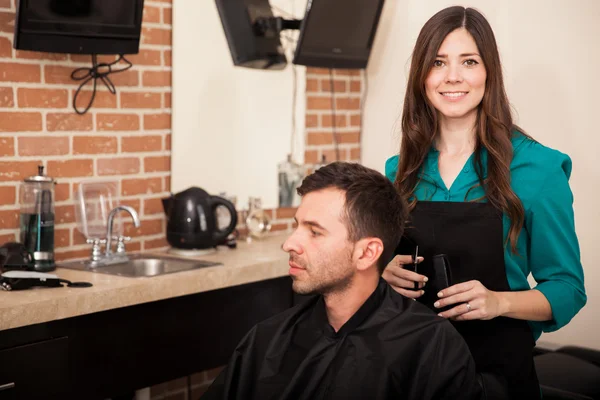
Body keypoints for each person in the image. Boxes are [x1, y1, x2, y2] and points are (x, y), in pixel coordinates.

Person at [382, 6, 587, 399]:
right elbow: (382, 264)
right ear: (422, 76)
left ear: (488, 71)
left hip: (497, 378)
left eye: (469, 61)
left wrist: (498, 302)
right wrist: (384, 270)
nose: (453, 76)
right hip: (413, 371)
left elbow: (566, 287)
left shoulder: (537, 168)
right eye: (438, 62)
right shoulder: (399, 169)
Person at [203, 162, 482, 400]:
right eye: (297, 226)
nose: (289, 243)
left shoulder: (431, 347)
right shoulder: (267, 340)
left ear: (367, 253)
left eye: (314, 232)